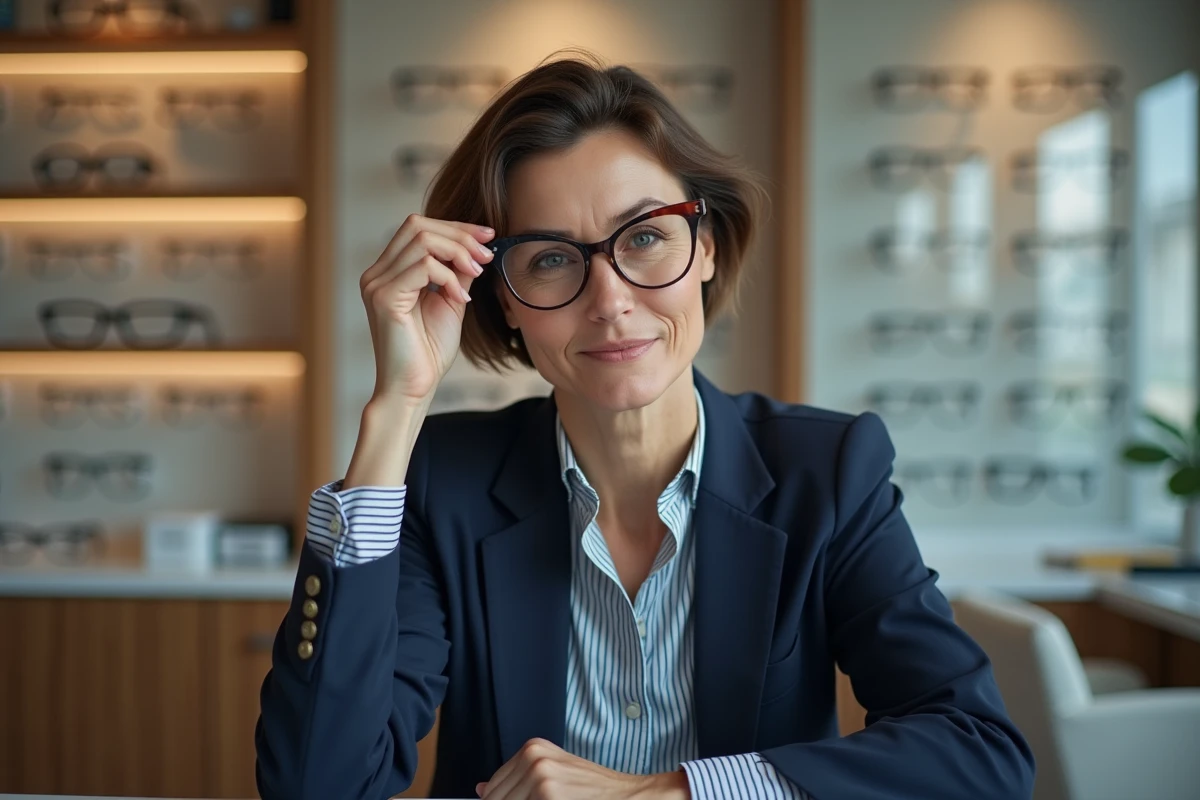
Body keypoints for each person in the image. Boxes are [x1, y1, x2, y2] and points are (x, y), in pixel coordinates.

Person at [254, 51, 1035, 800]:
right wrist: (396, 410)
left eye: (646, 236)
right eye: (552, 259)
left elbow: (979, 752)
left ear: (706, 250)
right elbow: (319, 785)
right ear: (503, 302)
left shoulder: (827, 471)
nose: (610, 300)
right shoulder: (438, 480)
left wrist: (674, 791)